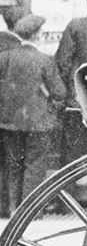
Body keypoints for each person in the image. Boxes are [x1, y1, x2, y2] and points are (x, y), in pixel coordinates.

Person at [0, 15, 66, 217]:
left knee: (13, 166)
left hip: (8, 122)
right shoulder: (44, 60)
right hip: (38, 122)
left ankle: (13, 211)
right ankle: (30, 213)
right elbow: (59, 93)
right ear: (37, 35)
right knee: (35, 166)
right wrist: (51, 113)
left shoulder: (4, 57)